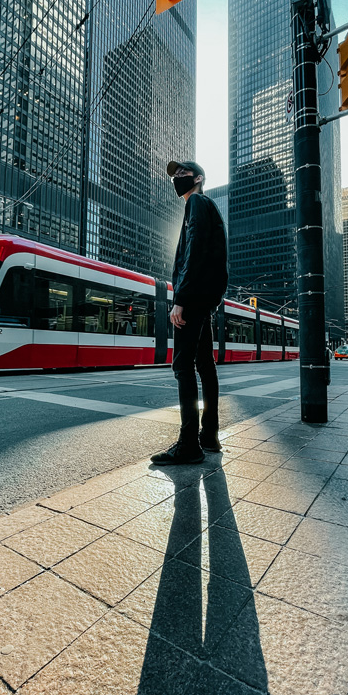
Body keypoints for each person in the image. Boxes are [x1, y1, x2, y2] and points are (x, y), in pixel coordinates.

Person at [151, 161, 228, 466]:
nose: (177, 178)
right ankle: (208, 435)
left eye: (183, 174)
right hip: (206, 297)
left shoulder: (196, 202)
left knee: (183, 366)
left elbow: (194, 250)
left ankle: (188, 444)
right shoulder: (207, 207)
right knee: (205, 366)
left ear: (198, 178)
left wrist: (180, 298)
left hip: (193, 297)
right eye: (175, 175)